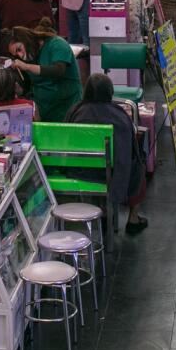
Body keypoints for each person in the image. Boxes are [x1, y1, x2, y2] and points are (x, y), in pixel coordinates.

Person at [66, 74, 148, 234]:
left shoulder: (75, 111)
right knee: (139, 166)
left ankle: (100, 211)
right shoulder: (119, 116)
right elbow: (127, 154)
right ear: (109, 92)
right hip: (110, 176)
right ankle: (133, 218)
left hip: (78, 171)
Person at [2, 23, 81, 122]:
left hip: (66, 108)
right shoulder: (29, 57)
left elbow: (58, 70)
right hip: (43, 111)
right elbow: (28, 86)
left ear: (26, 39)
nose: (20, 55)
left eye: (19, 49)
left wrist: (27, 67)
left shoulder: (57, 44)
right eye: (16, 54)